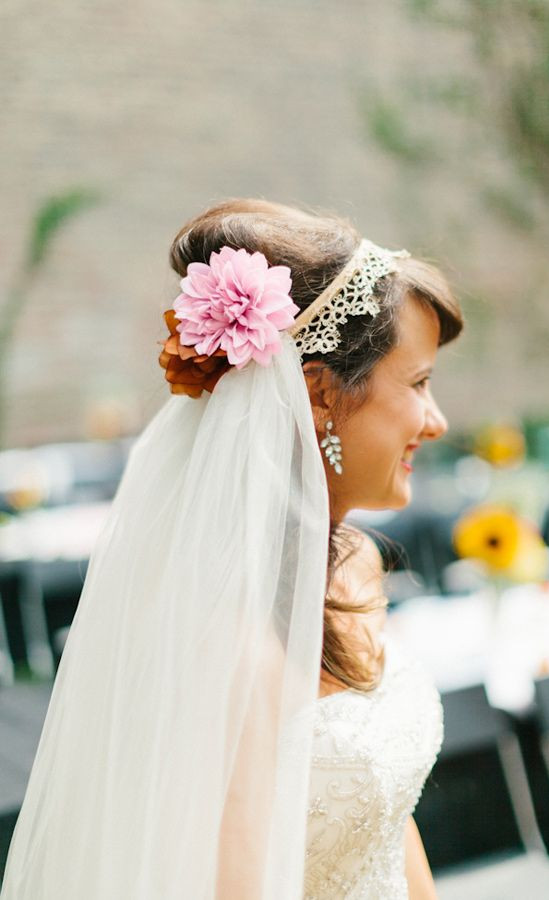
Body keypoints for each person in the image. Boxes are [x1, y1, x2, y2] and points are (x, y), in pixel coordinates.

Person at [0, 198, 463, 899]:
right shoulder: (225, 642)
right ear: (319, 395)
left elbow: (387, 819)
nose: (437, 420)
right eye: (420, 384)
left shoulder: (357, 567)